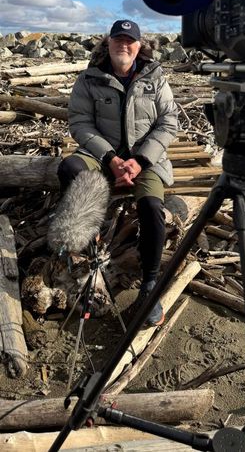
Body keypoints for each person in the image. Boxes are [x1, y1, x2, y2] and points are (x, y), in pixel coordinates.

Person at [61, 20, 178, 326]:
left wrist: (139, 160)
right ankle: (89, 239)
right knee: (70, 169)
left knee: (152, 207)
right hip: (102, 156)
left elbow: (169, 122)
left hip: (146, 160)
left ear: (140, 46)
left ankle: (150, 284)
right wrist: (111, 159)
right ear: (107, 42)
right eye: (118, 39)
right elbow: (80, 122)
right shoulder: (89, 78)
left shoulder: (155, 77)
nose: (123, 45)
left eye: (130, 40)